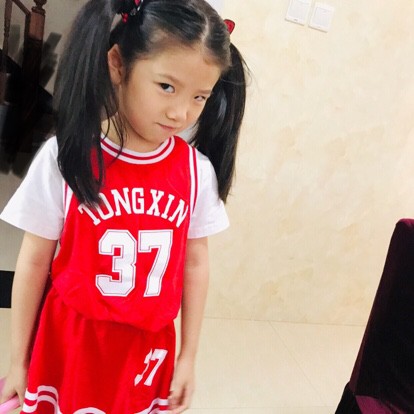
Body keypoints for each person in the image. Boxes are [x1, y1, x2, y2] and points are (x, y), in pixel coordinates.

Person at [0, 0, 247, 412]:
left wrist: (188, 356)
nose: (181, 113)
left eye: (199, 96)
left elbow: (195, 263)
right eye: (166, 86)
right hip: (71, 343)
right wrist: (18, 360)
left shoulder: (195, 173)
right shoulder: (66, 158)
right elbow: (33, 262)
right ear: (117, 64)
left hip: (147, 350)